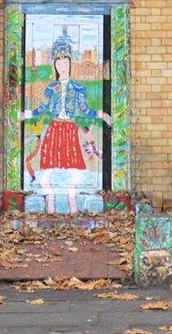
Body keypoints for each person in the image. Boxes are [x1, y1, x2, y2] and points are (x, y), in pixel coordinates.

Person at [20, 36, 112, 213]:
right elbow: (43, 107)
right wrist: (26, 114)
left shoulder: (78, 88)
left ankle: (73, 209)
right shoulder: (50, 88)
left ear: (71, 62)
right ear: (54, 64)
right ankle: (52, 209)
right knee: (47, 172)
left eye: (65, 61)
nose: (62, 65)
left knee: (74, 172)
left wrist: (103, 114)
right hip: (54, 130)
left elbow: (85, 110)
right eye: (58, 61)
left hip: (69, 131)